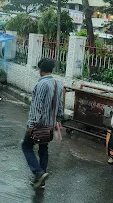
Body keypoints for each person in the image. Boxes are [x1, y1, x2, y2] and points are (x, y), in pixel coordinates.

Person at [22, 58, 64, 189]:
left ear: (41, 70)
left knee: (26, 146)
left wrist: (31, 125)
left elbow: (37, 106)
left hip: (39, 124)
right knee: (43, 149)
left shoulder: (42, 84)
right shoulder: (58, 84)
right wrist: (59, 120)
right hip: (50, 124)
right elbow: (60, 104)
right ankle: (41, 181)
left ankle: (38, 172)